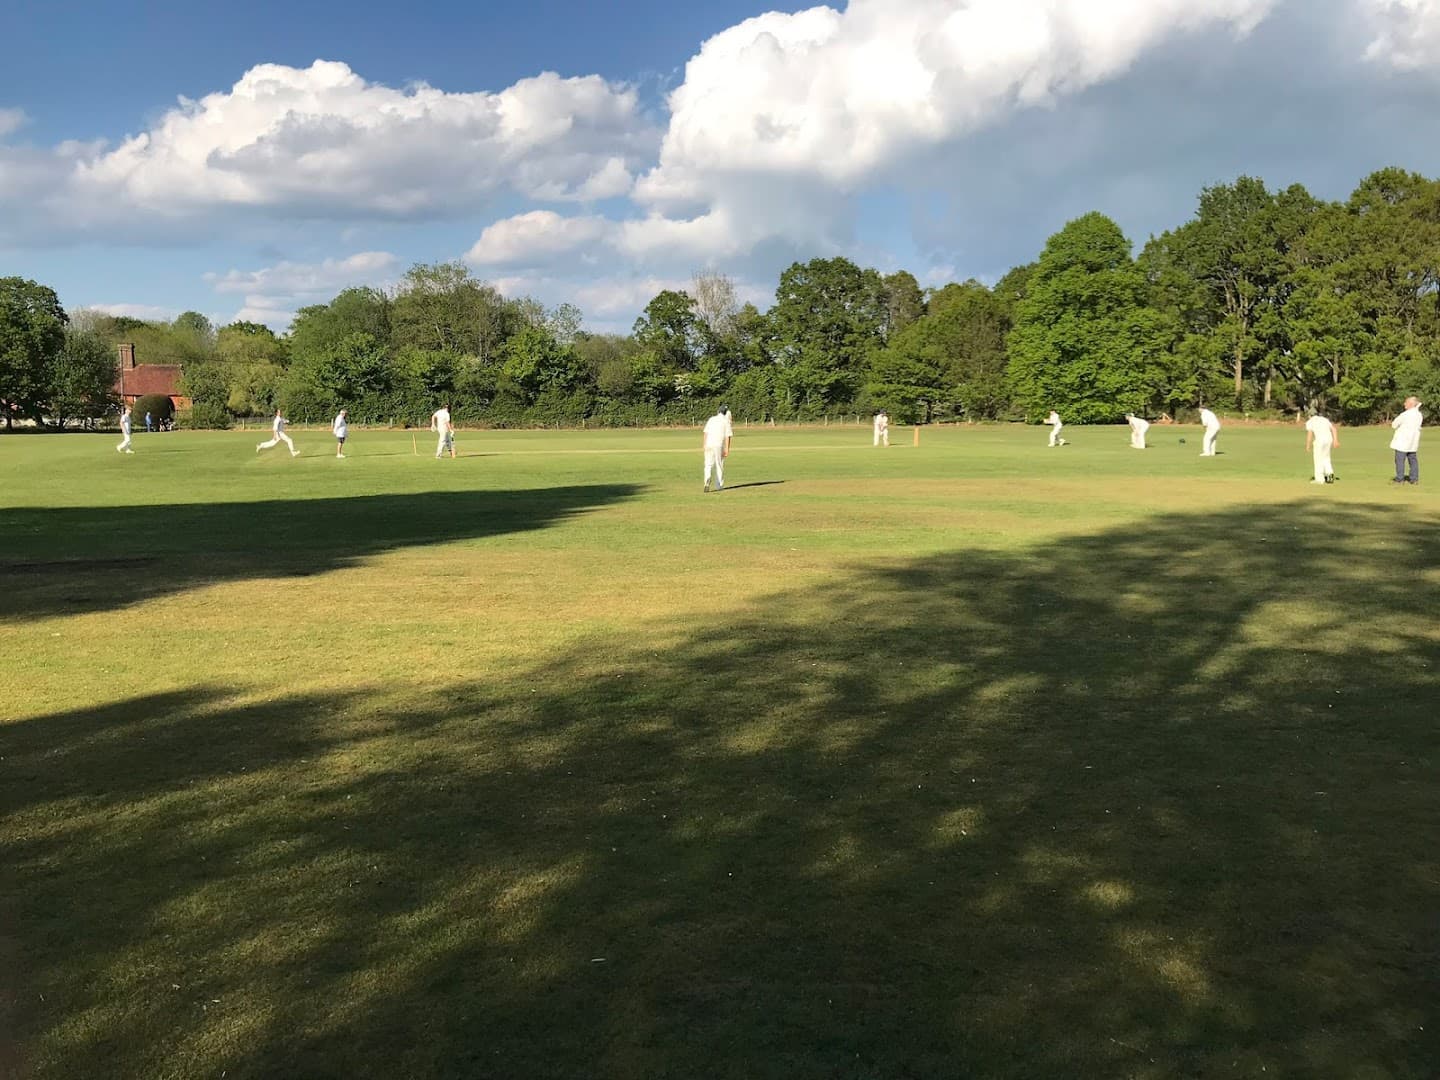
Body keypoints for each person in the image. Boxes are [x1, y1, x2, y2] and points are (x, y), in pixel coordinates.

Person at [1390, 396, 1422, 485]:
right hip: (1413, 441)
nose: (1404, 404)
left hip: (1402, 441)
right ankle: (1414, 479)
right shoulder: (1419, 414)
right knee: (1413, 460)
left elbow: (1394, 424)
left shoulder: (1405, 414)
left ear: (1411, 404)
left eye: (1406, 402)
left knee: (1400, 460)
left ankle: (1400, 479)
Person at [702, 405, 733, 492]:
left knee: (708, 465)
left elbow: (705, 432)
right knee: (719, 465)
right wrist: (727, 449)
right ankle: (719, 485)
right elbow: (728, 436)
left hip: (709, 444)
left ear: (718, 411)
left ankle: (707, 480)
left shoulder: (712, 419)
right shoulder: (726, 421)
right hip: (718, 445)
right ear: (726, 412)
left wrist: (704, 444)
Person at [1304, 409, 1339, 484]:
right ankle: (1330, 477)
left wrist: (1308, 445)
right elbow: (1334, 429)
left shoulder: (1310, 422)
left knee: (1318, 459)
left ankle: (1319, 479)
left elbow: (1310, 434)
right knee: (1326, 458)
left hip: (1319, 441)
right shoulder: (1324, 419)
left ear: (1309, 415)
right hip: (1329, 440)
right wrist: (1335, 440)